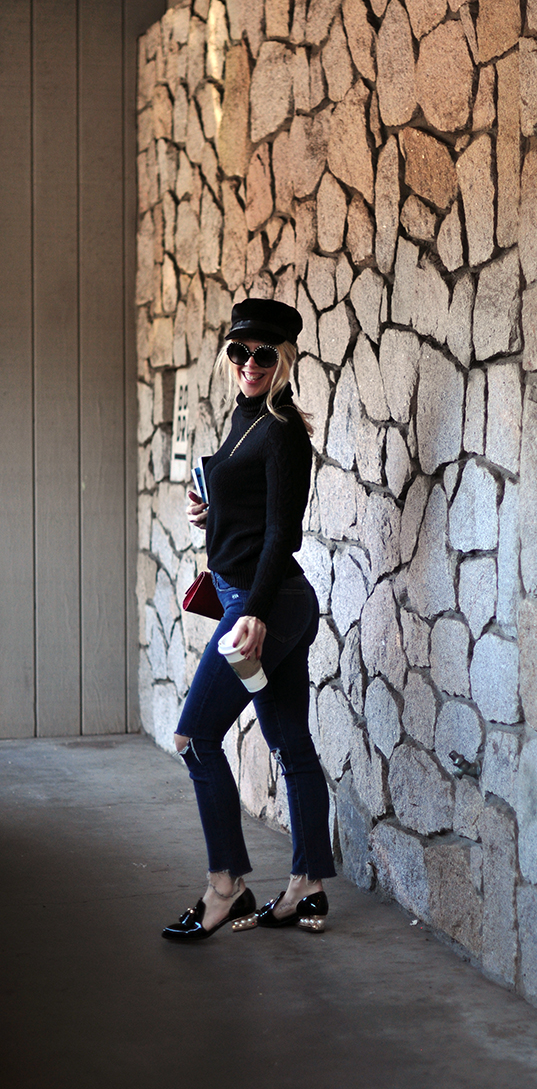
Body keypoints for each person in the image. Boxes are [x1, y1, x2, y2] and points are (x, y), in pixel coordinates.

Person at [162, 298, 336, 943]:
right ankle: (307, 889)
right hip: (259, 599)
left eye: (264, 354)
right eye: (239, 352)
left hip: (268, 605)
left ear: (285, 359)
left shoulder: (284, 429)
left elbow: (282, 534)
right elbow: (253, 513)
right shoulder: (243, 418)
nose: (249, 364)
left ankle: (225, 888)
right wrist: (212, 516)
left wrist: (255, 613)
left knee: (194, 738)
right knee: (292, 746)